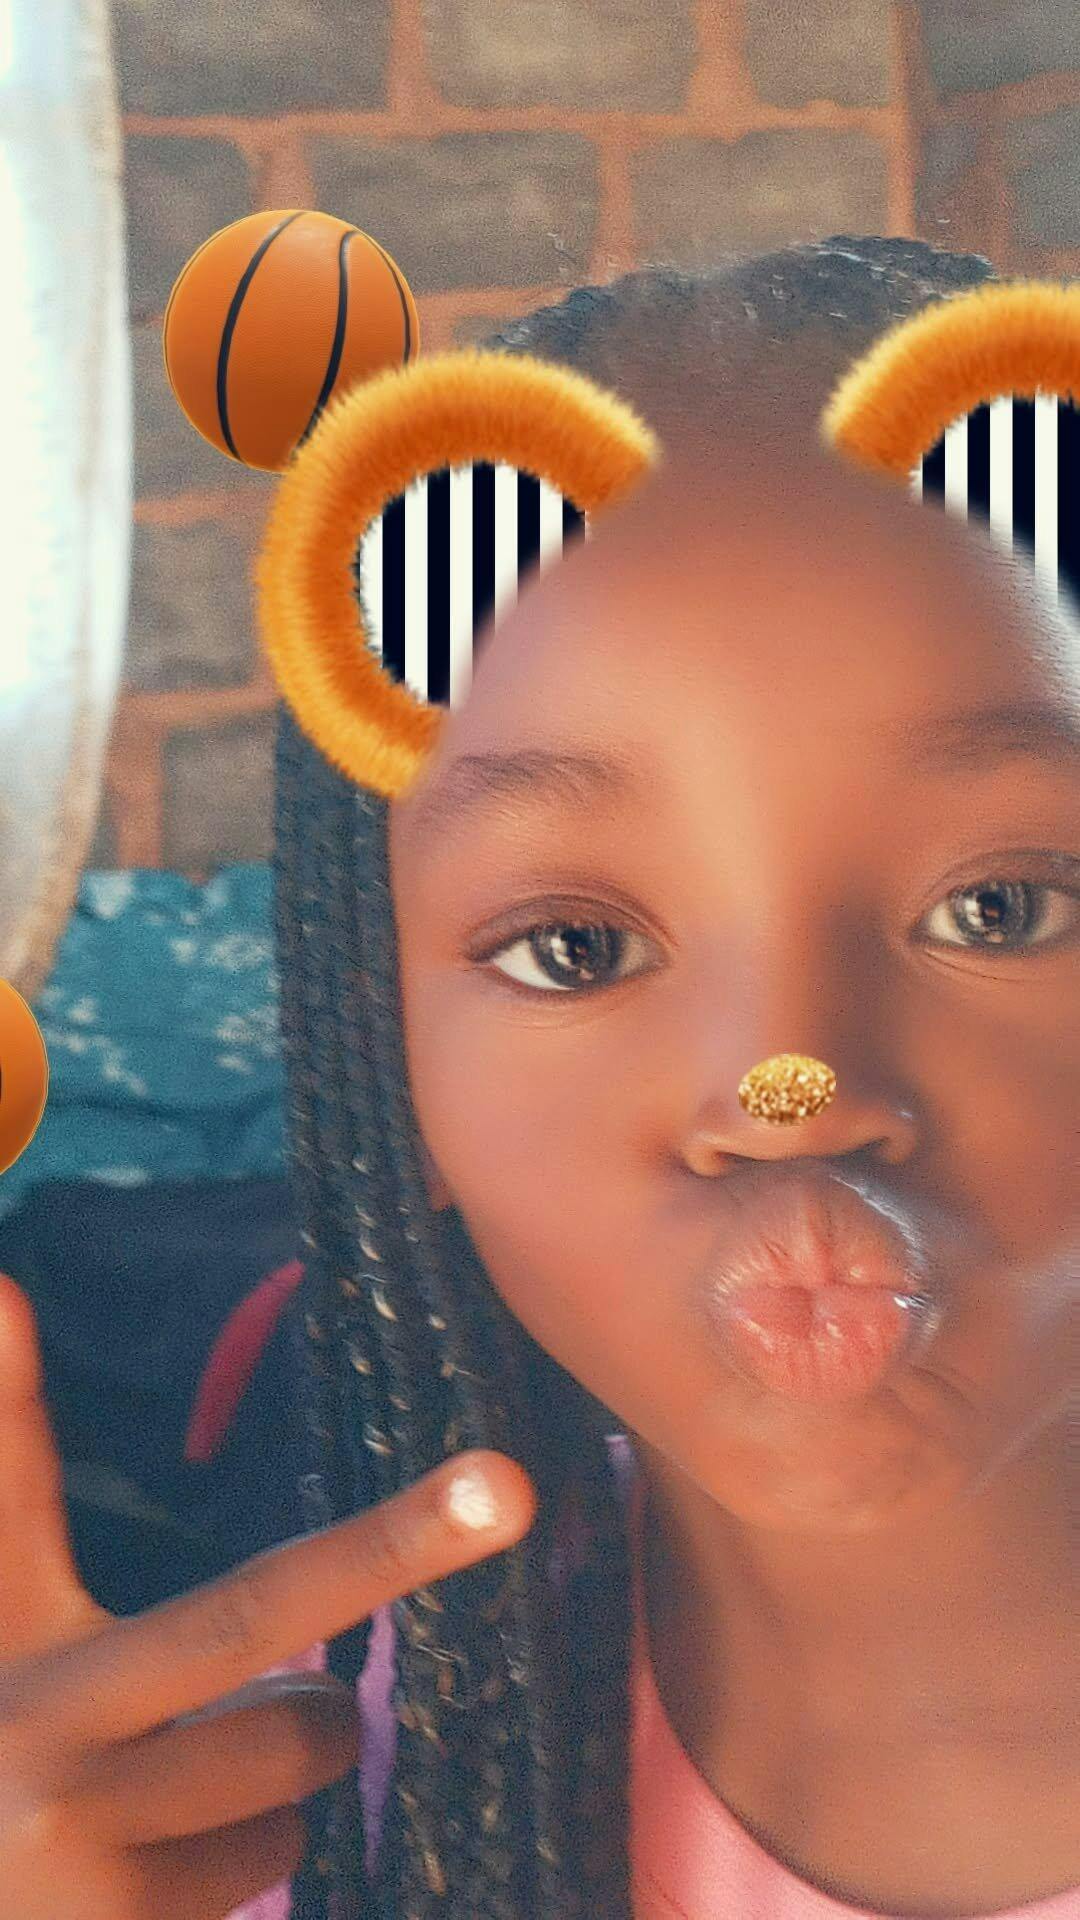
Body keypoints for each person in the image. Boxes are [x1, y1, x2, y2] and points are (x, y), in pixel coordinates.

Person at [0, 233, 1076, 1920]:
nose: (786, 1091)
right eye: (575, 947)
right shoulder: (322, 1820)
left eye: (998, 908)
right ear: (399, 1078)